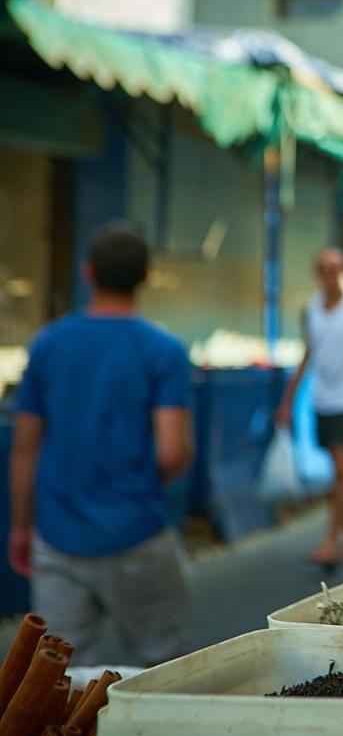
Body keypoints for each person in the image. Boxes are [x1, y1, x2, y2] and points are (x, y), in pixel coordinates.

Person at [8, 222, 193, 666]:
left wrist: (20, 525)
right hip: (139, 535)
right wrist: (142, 485)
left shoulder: (48, 344)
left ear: (87, 273)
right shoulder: (163, 350)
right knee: (162, 671)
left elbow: (25, 447)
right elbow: (171, 452)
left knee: (55, 678)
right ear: (145, 278)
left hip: (57, 538)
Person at [277, 248, 343, 566]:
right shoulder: (310, 310)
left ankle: (330, 540)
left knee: (341, 472)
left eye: (337, 268)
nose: (331, 274)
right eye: (325, 268)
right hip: (322, 400)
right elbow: (308, 353)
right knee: (341, 476)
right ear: (317, 272)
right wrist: (288, 400)